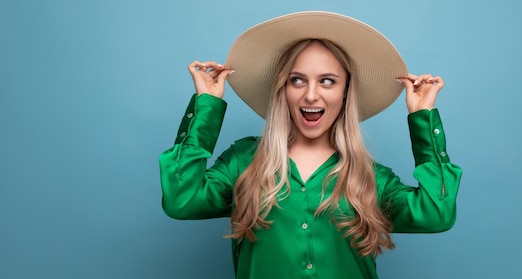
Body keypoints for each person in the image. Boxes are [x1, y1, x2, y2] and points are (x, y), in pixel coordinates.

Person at [159, 11, 462, 279]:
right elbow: (181, 199)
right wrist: (207, 106)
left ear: (345, 92)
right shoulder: (244, 162)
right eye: (297, 80)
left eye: (328, 81)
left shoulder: (370, 177)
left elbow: (436, 213)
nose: (311, 95)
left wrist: (423, 118)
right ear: (283, 90)